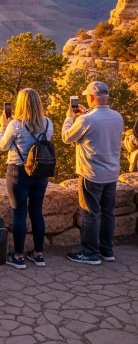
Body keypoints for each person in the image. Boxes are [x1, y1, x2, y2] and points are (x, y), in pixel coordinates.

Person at [61, 81, 125, 264]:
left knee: (90, 214)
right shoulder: (117, 117)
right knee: (108, 213)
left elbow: (66, 137)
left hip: (91, 174)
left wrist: (70, 117)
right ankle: (107, 251)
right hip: (112, 174)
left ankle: (89, 253)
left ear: (90, 97)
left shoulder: (85, 120)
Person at [0, 88, 53, 269]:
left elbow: (2, 146)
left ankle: (18, 256)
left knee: (19, 213)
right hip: (40, 172)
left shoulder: (15, 125)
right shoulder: (47, 123)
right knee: (37, 212)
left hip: (18, 172)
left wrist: (3, 127)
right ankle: (39, 255)